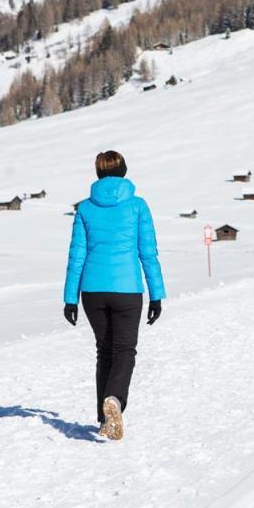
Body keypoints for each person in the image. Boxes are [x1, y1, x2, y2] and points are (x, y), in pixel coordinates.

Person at [63, 150, 165, 440]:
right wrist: (156, 295)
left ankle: (103, 417)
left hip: (92, 291)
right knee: (124, 351)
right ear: (124, 171)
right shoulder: (137, 206)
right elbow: (148, 253)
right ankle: (115, 401)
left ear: (98, 174)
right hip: (127, 289)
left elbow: (76, 256)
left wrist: (70, 298)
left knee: (104, 351)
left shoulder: (85, 208)